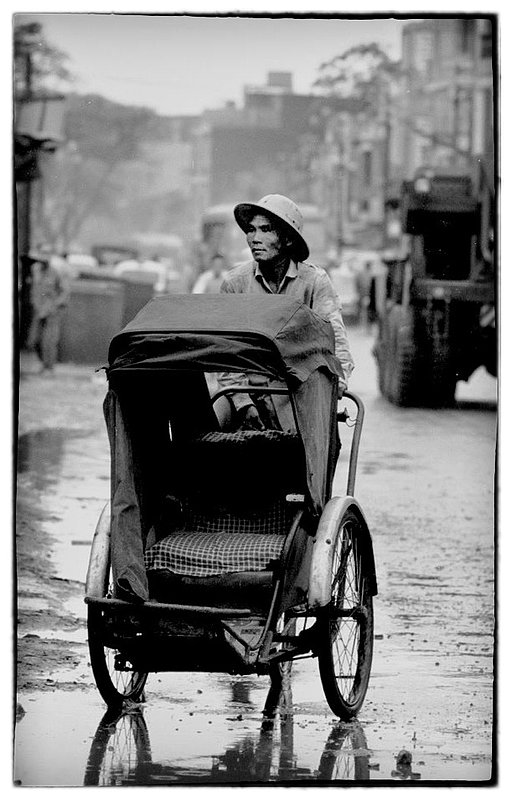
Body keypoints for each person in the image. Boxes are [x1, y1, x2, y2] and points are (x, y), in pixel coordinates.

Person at [215, 194, 354, 431]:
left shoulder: (314, 281)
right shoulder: (235, 283)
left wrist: (338, 381)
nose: (254, 239)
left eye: (265, 230)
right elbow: (225, 351)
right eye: (251, 230)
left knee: (314, 451)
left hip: (300, 394)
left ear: (287, 239)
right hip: (249, 393)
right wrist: (242, 402)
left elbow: (335, 339)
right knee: (211, 425)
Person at [27, 253, 70, 374]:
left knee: (49, 340)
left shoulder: (56, 272)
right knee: (34, 339)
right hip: (38, 310)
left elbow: (65, 291)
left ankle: (48, 367)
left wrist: (56, 305)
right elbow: (34, 289)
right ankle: (42, 363)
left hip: (52, 311)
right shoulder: (35, 269)